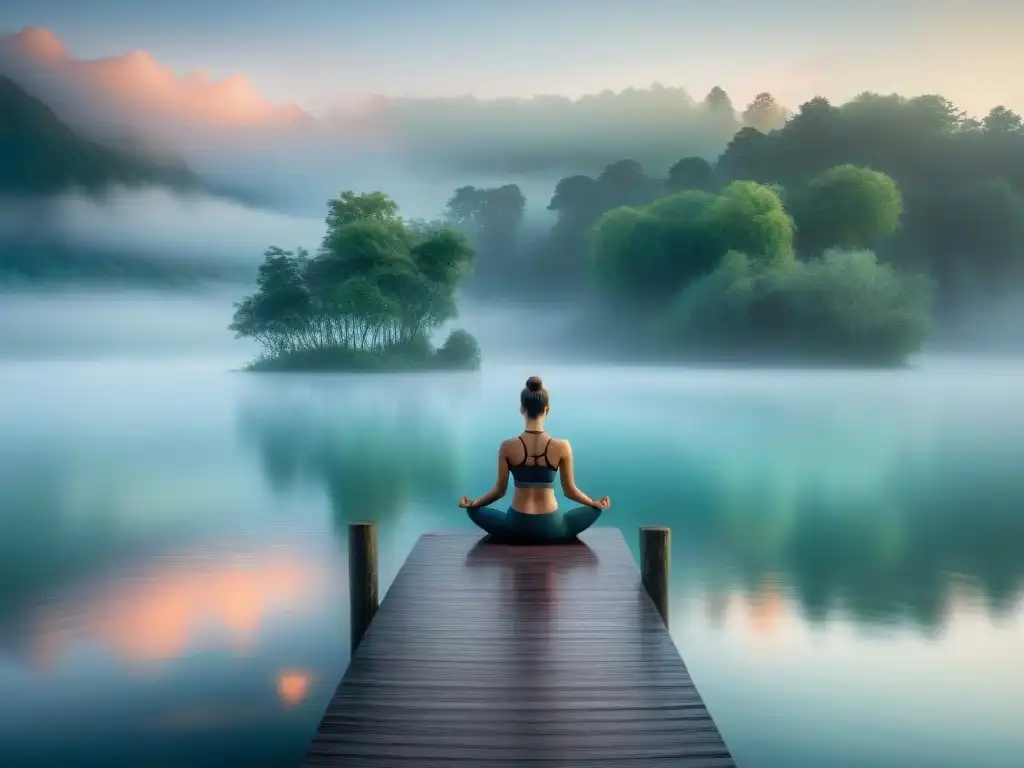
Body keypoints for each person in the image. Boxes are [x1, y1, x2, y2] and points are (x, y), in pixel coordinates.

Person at [458, 375, 611, 544]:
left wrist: (475, 503)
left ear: (522, 409)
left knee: (473, 511)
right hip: (552, 527)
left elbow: (499, 491)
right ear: (547, 409)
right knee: (596, 510)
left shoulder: (507, 446)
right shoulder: (562, 446)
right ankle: (594, 508)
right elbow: (570, 491)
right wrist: (593, 503)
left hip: (515, 527)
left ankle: (474, 508)